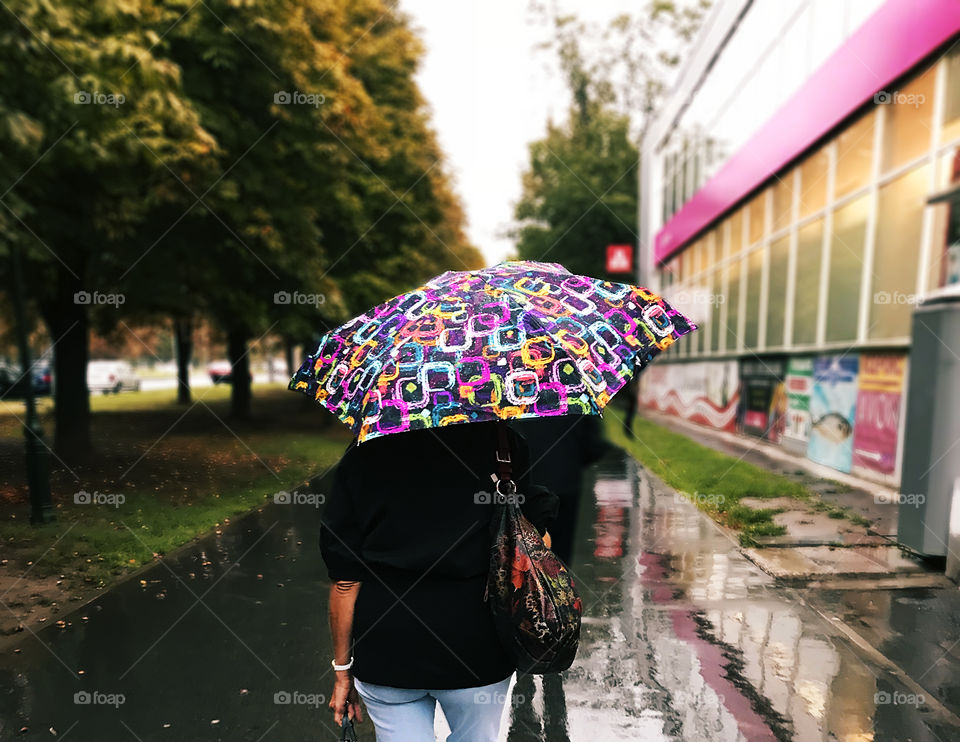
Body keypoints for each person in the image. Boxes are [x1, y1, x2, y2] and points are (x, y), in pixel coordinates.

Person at [321, 421, 558, 741]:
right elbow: (535, 542)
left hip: (387, 647)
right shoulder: (504, 443)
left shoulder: (365, 449)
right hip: (478, 645)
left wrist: (341, 671)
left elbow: (346, 582)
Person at [517, 415, 609, 565]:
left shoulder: (512, 402)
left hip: (527, 485)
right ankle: (560, 584)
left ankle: (530, 585)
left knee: (527, 547)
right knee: (561, 550)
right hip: (566, 482)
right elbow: (594, 445)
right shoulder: (574, 396)